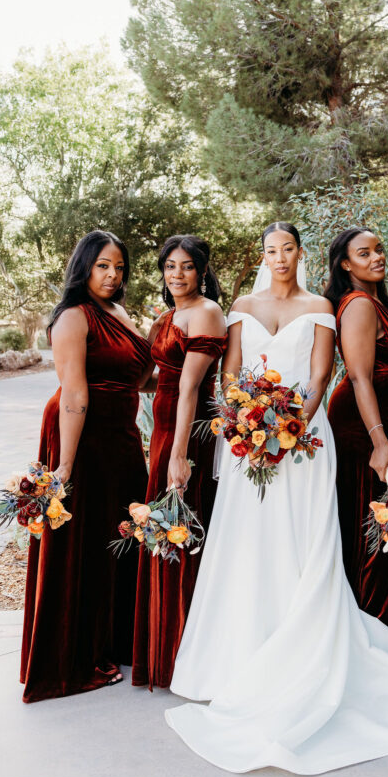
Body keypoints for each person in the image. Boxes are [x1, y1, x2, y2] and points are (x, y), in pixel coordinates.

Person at [164, 221, 388, 775]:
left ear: (300, 254)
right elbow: (230, 374)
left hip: (301, 444)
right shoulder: (240, 305)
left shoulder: (320, 307)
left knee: (302, 542)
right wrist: (244, 425)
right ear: (262, 256)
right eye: (270, 250)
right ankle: (236, 659)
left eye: (287, 249)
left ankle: (303, 650)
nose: (279, 258)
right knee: (246, 542)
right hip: (244, 443)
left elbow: (320, 376)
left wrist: (287, 432)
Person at [20, 230, 151, 702]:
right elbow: (75, 392)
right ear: (83, 267)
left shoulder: (120, 313)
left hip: (121, 440)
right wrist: (65, 467)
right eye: (102, 266)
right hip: (83, 436)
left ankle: (114, 641)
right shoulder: (74, 317)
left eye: (119, 266)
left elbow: (139, 375)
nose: (113, 275)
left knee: (121, 538)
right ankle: (72, 659)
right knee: (85, 545)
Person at [132, 235, 227, 689]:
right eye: (169, 266)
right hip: (166, 431)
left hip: (190, 434)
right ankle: (161, 647)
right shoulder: (167, 317)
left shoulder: (206, 312)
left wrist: (179, 454)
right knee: (163, 528)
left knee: (185, 526)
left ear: (202, 271)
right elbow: (157, 381)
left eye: (186, 267)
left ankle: (185, 650)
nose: (177, 275)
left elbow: (189, 387)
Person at [325, 228, 388, 633]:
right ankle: (370, 632)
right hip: (361, 431)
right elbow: (359, 377)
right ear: (346, 264)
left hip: (382, 424)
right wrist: (379, 442)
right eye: (365, 253)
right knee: (378, 529)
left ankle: (381, 631)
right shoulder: (359, 304)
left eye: (379, 250)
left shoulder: (379, 302)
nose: (377, 257)